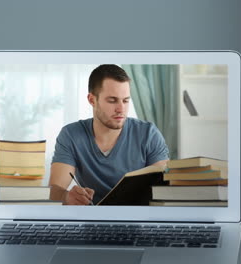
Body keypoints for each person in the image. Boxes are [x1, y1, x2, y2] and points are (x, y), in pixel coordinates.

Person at [49, 64, 169, 205]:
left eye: (125, 100)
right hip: (92, 221)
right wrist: (66, 196)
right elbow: (54, 190)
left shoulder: (149, 134)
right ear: (92, 100)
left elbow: (163, 192)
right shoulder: (71, 135)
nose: (121, 109)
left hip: (139, 221)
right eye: (112, 100)